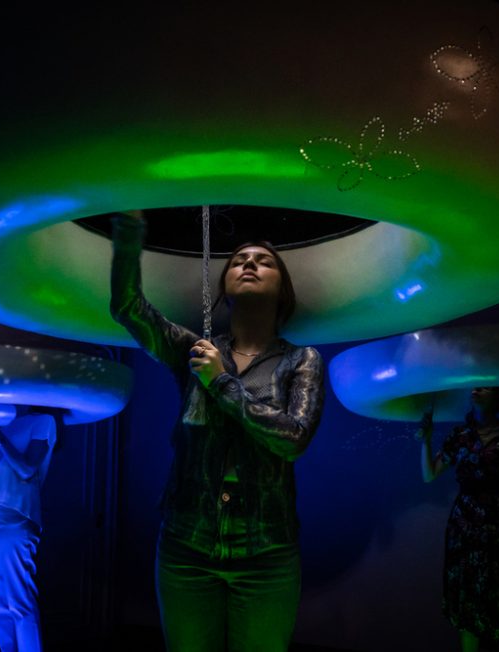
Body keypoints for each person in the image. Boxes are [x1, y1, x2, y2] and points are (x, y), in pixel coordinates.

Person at [109, 210, 325, 652]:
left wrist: (221, 382)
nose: (248, 263)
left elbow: (294, 439)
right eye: (239, 259)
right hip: (186, 544)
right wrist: (129, 229)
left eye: (263, 261)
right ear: (223, 285)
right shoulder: (194, 351)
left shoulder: (302, 360)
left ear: (283, 288)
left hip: (266, 553)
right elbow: (128, 308)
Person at [418, 387, 499, 652]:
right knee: (468, 602)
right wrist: (425, 439)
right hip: (465, 527)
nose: (477, 389)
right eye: (475, 386)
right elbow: (429, 474)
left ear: (498, 395)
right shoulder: (459, 436)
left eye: (485, 386)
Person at [0, 404, 58, 652]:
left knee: (20, 601)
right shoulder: (6, 426)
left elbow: (27, 469)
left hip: (16, 515)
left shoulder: (44, 421)